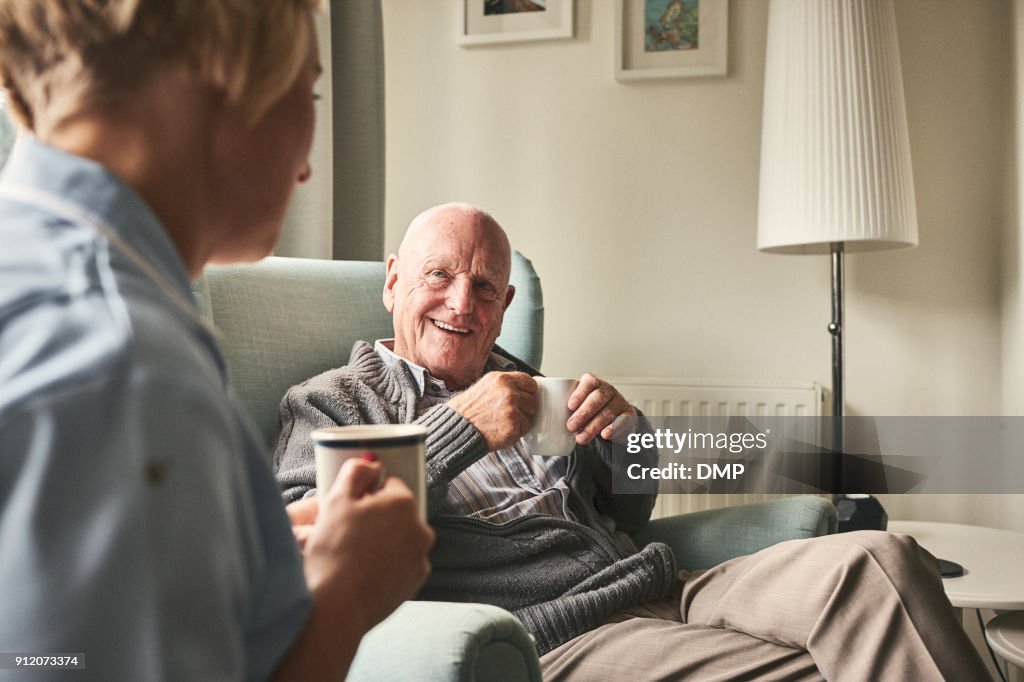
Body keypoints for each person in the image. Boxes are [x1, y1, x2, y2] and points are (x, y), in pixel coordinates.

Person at [274, 202, 989, 681]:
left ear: (504, 310)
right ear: (393, 281)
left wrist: (625, 440)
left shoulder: (528, 384)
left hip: (662, 582)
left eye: (486, 288)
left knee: (879, 561)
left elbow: (623, 514)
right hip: (560, 634)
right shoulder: (331, 400)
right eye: (439, 276)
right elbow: (309, 543)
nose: (463, 303)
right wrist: (465, 426)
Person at [0, 2, 433, 680]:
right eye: (310, 92)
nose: (308, 168)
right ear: (219, 78)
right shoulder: (132, 378)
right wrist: (347, 595)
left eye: (489, 286)